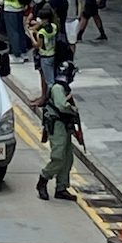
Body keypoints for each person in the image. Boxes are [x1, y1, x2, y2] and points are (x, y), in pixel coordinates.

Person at [38, 60, 82, 201]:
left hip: (64, 125)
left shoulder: (64, 87)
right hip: (56, 125)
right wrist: (74, 110)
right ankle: (43, 179)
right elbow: (62, 106)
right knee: (58, 156)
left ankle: (61, 188)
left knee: (67, 158)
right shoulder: (58, 88)